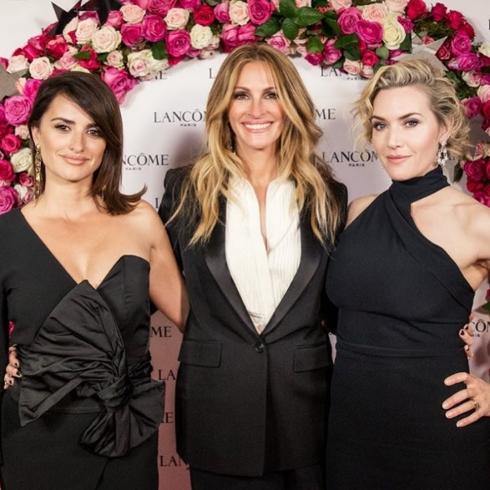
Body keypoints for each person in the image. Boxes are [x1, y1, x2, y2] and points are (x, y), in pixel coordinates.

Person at [159, 43, 347, 489]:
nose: (256, 109)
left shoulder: (327, 196)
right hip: (216, 405)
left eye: (272, 94)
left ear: (291, 105)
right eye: (242, 95)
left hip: (306, 407)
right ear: (224, 106)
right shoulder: (186, 189)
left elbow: (345, 304)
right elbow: (142, 279)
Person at [0, 72, 186, 490]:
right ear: (35, 133)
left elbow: (198, 321)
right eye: (62, 127)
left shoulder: (141, 221)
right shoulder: (5, 237)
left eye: (93, 131)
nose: (77, 146)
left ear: (109, 143)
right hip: (35, 438)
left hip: (125, 434)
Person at [325, 58, 490, 489]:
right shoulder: (358, 212)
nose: (392, 141)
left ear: (446, 127)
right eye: (381, 126)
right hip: (351, 431)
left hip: (436, 433)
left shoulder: (476, 223)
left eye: (411, 122)